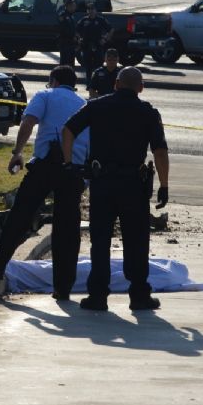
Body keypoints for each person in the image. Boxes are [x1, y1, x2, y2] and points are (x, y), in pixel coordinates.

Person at [61, 67, 169, 312]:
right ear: (141, 88)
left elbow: (67, 130)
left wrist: (69, 165)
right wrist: (164, 185)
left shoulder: (96, 106)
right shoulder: (148, 113)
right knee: (136, 240)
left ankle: (98, 296)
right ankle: (139, 295)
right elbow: (160, 151)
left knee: (100, 240)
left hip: (102, 183)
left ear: (117, 84)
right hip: (133, 185)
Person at [0, 65, 89, 302]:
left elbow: (29, 122)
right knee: (67, 229)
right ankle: (63, 288)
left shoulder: (45, 96)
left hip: (45, 165)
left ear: (53, 80)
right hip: (73, 169)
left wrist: (17, 152)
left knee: (20, 216)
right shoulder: (84, 104)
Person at [76, 3, 114, 86]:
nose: (91, 11)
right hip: (86, 46)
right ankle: (89, 84)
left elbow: (111, 29)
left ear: (96, 11)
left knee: (99, 66)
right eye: (89, 9)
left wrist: (105, 39)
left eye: (93, 9)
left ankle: (98, 84)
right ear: (87, 11)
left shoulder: (100, 20)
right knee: (88, 67)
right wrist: (79, 39)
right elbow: (76, 30)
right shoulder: (84, 20)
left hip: (98, 45)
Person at [57, 0, 78, 67]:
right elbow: (63, 29)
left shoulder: (71, 15)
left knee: (71, 63)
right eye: (73, 6)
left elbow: (73, 28)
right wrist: (72, 36)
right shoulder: (63, 15)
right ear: (68, 6)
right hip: (65, 43)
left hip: (71, 43)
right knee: (64, 63)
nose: (75, 8)